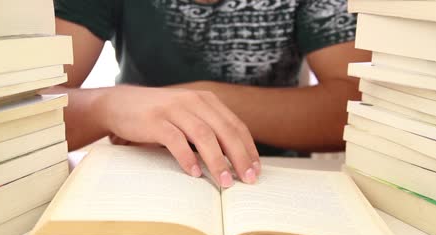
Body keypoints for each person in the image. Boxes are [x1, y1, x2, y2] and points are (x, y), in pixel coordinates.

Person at [50, 0, 371, 188]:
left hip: (275, 180)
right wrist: (107, 107)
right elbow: (25, 104)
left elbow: (360, 106)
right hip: (144, 178)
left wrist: (202, 98)